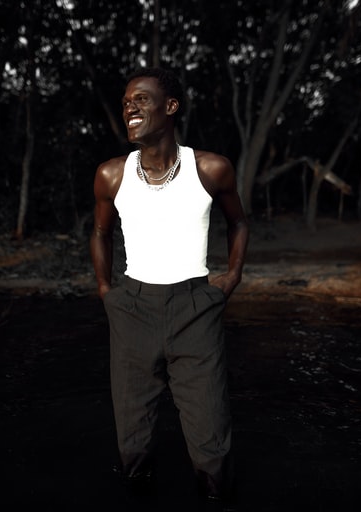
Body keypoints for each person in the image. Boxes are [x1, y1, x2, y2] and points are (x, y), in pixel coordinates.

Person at [90, 67, 249, 509]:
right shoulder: (111, 175)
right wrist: (107, 290)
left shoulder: (210, 168)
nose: (130, 108)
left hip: (195, 309)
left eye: (140, 99)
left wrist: (231, 277)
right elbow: (100, 233)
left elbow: (238, 222)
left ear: (171, 107)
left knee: (212, 444)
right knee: (133, 443)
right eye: (126, 102)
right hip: (132, 308)